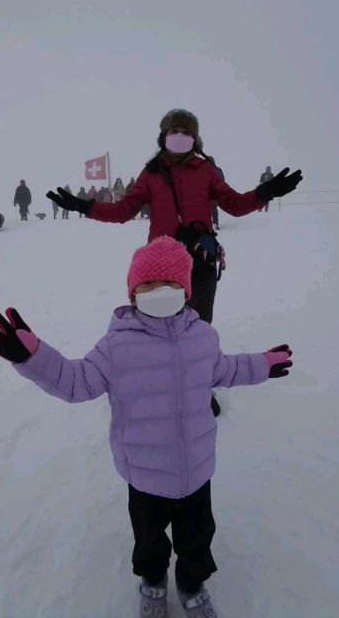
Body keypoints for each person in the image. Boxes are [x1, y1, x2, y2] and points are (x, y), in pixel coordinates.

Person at [0, 236, 294, 618]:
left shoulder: (202, 338)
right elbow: (76, 381)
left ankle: (192, 586)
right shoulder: (117, 346)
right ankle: (152, 581)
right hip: (144, 476)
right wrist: (34, 357)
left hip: (196, 471)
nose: (159, 291)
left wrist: (262, 364)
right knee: (149, 542)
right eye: (148, 284)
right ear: (133, 293)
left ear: (186, 289)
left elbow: (226, 368)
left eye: (170, 284)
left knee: (197, 539)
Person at [47, 108, 302, 416]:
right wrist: (85, 206)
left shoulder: (206, 170)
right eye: (174, 131)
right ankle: (156, 382)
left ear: (195, 138)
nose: (179, 136)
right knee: (157, 324)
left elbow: (234, 204)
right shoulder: (151, 173)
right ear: (163, 136)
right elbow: (124, 211)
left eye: (186, 132)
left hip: (201, 258)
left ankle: (199, 385)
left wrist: (265, 192)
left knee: (198, 326)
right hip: (161, 262)